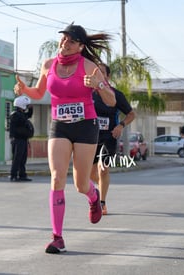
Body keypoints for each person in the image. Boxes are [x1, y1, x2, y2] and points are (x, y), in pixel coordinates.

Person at [14, 23, 116, 254]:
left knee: (80, 184)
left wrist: (98, 85)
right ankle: (57, 237)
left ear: (80, 46)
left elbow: (111, 101)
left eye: (71, 41)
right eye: (64, 39)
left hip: (85, 127)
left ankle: (93, 196)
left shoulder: (90, 67)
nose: (65, 43)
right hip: (59, 126)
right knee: (57, 178)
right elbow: (39, 93)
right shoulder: (48, 65)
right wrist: (24, 90)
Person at [90, 63, 135, 215]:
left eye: (101, 73)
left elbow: (131, 114)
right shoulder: (88, 94)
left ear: (107, 76)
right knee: (90, 174)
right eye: (95, 72)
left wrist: (120, 126)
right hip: (90, 137)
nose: (97, 75)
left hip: (109, 136)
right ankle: (96, 191)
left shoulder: (116, 94)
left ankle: (102, 203)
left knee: (103, 169)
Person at [9, 95, 34, 182]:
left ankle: (22, 175)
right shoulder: (15, 115)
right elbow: (23, 120)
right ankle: (13, 175)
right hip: (17, 140)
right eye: (26, 105)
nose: (26, 107)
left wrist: (31, 109)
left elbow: (28, 115)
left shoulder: (21, 114)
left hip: (23, 140)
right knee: (17, 158)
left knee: (23, 159)